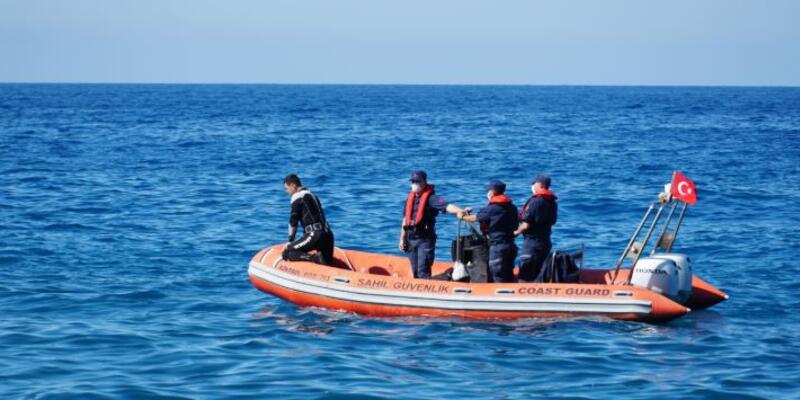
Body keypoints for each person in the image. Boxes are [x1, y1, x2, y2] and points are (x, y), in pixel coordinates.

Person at [399, 170, 461, 279]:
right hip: (411, 238)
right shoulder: (410, 198)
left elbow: (446, 206)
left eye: (417, 181)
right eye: (413, 181)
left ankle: (427, 291)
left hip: (425, 239)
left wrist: (461, 211)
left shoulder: (432, 198)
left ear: (424, 182)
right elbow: (405, 220)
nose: (415, 184)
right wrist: (402, 239)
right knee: (415, 270)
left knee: (423, 270)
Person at [456, 180, 519, 283]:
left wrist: (462, 216)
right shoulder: (512, 207)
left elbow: (475, 218)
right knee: (507, 271)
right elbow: (516, 224)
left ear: (492, 193)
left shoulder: (492, 208)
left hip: (497, 245)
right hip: (510, 244)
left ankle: (500, 294)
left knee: (496, 272)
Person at [282, 174, 335, 265]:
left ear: (293, 186)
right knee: (327, 264)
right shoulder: (313, 195)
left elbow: (293, 221)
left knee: (288, 252)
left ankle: (314, 258)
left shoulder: (297, 196)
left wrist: (290, 241)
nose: (287, 192)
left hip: (315, 235)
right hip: (328, 235)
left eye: (286, 188)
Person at [514, 175, 558, 282]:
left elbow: (526, 224)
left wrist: (514, 233)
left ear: (541, 185)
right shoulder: (552, 202)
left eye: (534, 183)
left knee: (525, 275)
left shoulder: (536, 201)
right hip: (545, 242)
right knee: (539, 274)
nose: (532, 186)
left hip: (532, 244)